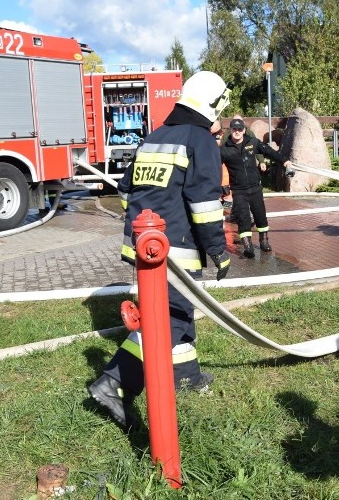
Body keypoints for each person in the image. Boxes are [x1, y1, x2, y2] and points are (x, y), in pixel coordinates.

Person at [88, 71, 233, 430]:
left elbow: (125, 192)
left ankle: (185, 376)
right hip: (176, 251)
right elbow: (205, 205)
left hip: (144, 248)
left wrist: (145, 223)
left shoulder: (154, 137)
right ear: (214, 104)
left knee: (179, 314)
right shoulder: (199, 141)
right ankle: (114, 381)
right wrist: (219, 251)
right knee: (163, 321)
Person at [219, 115, 293, 257]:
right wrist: (221, 186)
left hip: (255, 187)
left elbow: (269, 152)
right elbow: (216, 168)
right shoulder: (224, 149)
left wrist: (285, 162)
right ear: (231, 130)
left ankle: (264, 240)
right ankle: (247, 245)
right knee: (243, 218)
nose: (237, 131)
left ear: (244, 130)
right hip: (239, 190)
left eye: (240, 129)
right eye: (234, 129)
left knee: (260, 216)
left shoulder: (252, 142)